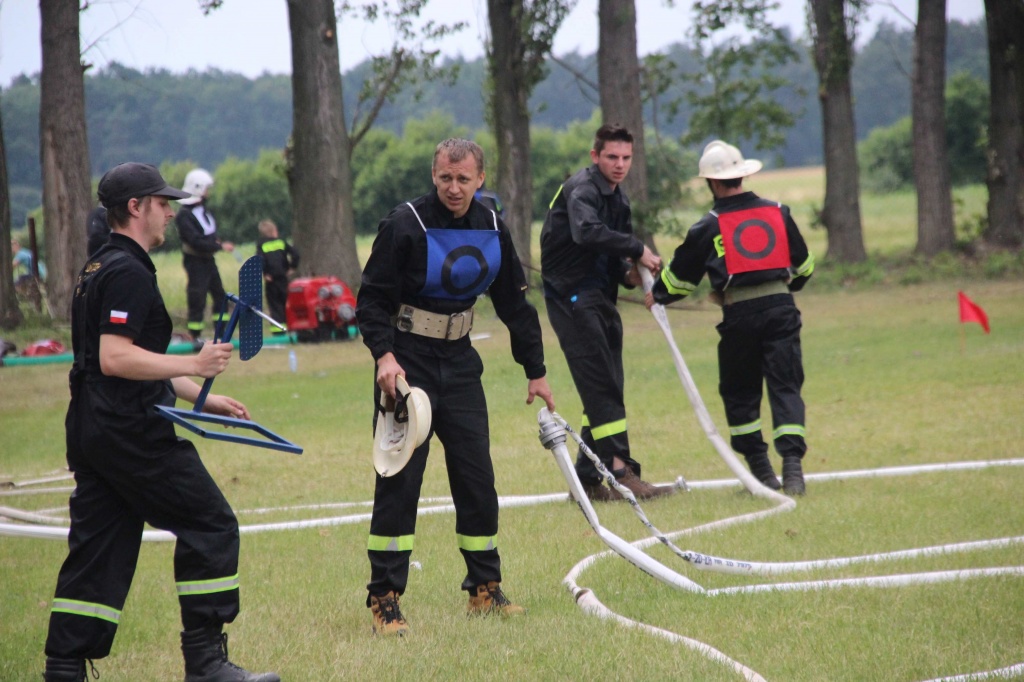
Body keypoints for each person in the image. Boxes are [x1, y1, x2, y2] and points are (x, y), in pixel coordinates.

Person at [42, 162, 279, 682]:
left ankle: (63, 669)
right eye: (162, 203)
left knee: (100, 548)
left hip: (93, 427)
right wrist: (193, 363)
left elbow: (132, 363)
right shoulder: (127, 272)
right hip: (130, 431)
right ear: (136, 208)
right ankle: (206, 663)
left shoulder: (101, 266)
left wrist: (201, 395)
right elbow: (115, 358)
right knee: (211, 523)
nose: (171, 212)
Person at [356, 138, 556, 636]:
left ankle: (484, 589)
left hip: (461, 362)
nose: (453, 187)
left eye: (463, 179)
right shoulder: (404, 224)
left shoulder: (491, 226)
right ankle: (384, 598)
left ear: (480, 179)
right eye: (445, 178)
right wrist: (384, 356)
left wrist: (536, 368)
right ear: (434, 175)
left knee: (476, 477)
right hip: (407, 364)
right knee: (399, 481)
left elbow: (514, 303)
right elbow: (371, 301)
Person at [646, 140, 814, 495]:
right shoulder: (779, 212)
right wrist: (782, 290)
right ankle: (794, 471)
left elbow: (679, 281)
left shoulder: (708, 226)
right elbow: (805, 267)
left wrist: (655, 293)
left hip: (739, 316)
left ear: (711, 182)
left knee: (740, 391)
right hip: (783, 310)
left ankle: (761, 472)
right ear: (743, 175)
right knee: (785, 386)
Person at [539, 123, 672, 503]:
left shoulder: (620, 200)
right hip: (572, 299)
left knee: (607, 382)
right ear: (595, 156)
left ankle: (586, 477)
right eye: (612, 156)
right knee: (602, 383)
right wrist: (636, 246)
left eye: (626, 158)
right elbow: (585, 232)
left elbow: (612, 256)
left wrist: (632, 275)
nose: (620, 164)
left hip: (600, 296)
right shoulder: (582, 190)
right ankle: (618, 470)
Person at [175, 168, 234, 341]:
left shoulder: (204, 211)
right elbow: (195, 241)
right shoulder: (183, 216)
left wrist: (216, 243)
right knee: (197, 298)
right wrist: (219, 246)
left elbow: (209, 235)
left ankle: (222, 332)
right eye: (206, 189)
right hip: (195, 262)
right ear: (198, 188)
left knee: (220, 297)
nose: (208, 193)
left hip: (208, 260)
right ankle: (195, 335)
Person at [256, 219, 299, 333]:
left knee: (275, 305)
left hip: (271, 279)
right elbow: (295, 254)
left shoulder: (261, 244)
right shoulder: (281, 242)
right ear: (275, 231)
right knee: (286, 302)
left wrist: (265, 273)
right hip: (283, 277)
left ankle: (278, 330)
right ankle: (291, 327)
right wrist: (292, 267)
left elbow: (260, 260)